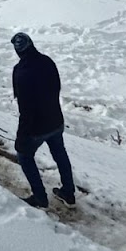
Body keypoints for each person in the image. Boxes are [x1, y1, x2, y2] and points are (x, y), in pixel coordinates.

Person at [10, 32, 76, 208]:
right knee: (60, 154)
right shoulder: (47, 61)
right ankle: (68, 193)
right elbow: (56, 88)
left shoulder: (20, 72)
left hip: (37, 128)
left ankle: (40, 198)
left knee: (24, 155)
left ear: (18, 51)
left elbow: (25, 109)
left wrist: (22, 136)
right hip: (56, 120)